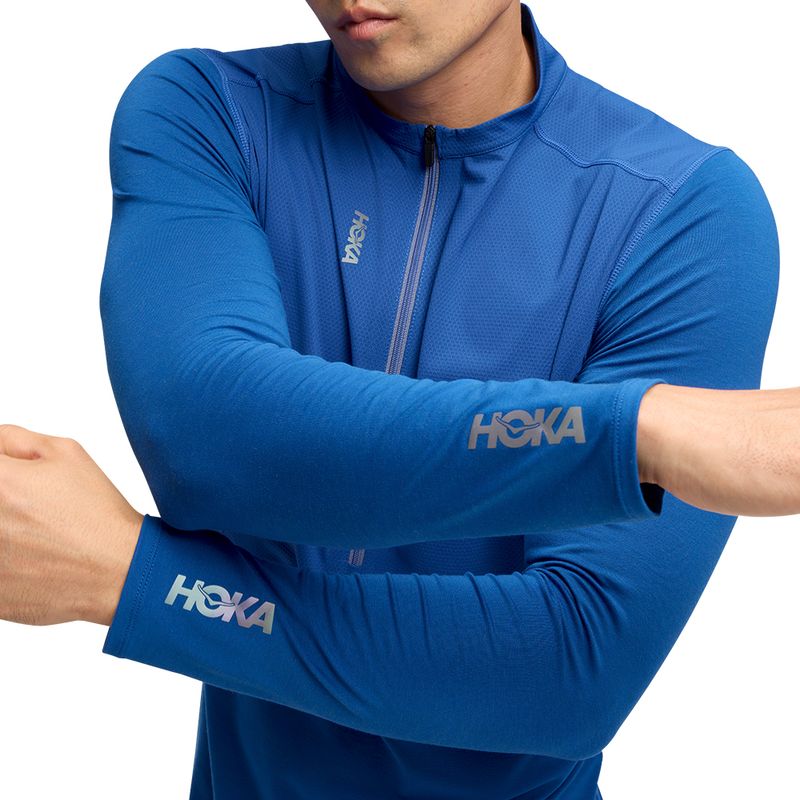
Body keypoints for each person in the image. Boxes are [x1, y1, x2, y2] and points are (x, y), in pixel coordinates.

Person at [0, 1, 796, 797]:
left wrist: (140, 580)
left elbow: (565, 674)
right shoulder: (215, 111)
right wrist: (631, 436)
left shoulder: (682, 211)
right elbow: (208, 441)